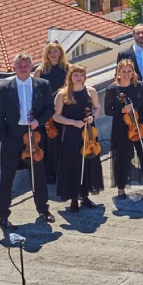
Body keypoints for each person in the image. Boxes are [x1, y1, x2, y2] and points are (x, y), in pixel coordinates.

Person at [0, 53, 56, 229]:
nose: (23, 68)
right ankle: (3, 215)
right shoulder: (4, 88)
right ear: (14, 67)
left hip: (34, 136)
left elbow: (50, 109)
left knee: (38, 175)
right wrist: (4, 138)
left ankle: (43, 209)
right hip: (12, 138)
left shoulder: (42, 85)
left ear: (31, 67)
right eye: (20, 66)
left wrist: (38, 122)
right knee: (7, 177)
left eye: (26, 65)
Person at [104, 59, 143, 196]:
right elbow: (107, 110)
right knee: (122, 157)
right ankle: (121, 188)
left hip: (139, 125)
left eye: (129, 71)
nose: (127, 74)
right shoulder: (112, 89)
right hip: (121, 127)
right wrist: (121, 111)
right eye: (124, 71)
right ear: (118, 72)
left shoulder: (138, 86)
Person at [52, 65, 103, 212]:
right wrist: (73, 122)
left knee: (88, 163)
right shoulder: (62, 94)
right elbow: (56, 116)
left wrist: (92, 117)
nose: (79, 77)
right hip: (71, 133)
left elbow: (97, 108)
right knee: (72, 164)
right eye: (76, 75)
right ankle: (74, 198)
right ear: (70, 76)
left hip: (88, 133)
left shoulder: (91, 91)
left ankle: (85, 196)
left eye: (81, 75)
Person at [35, 42, 69, 185]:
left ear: (60, 53)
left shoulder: (68, 68)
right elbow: (35, 93)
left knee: (63, 141)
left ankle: (63, 172)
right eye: (50, 52)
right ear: (46, 55)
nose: (53, 54)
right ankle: (50, 173)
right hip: (47, 112)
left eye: (56, 51)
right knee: (49, 143)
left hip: (64, 109)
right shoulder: (40, 70)